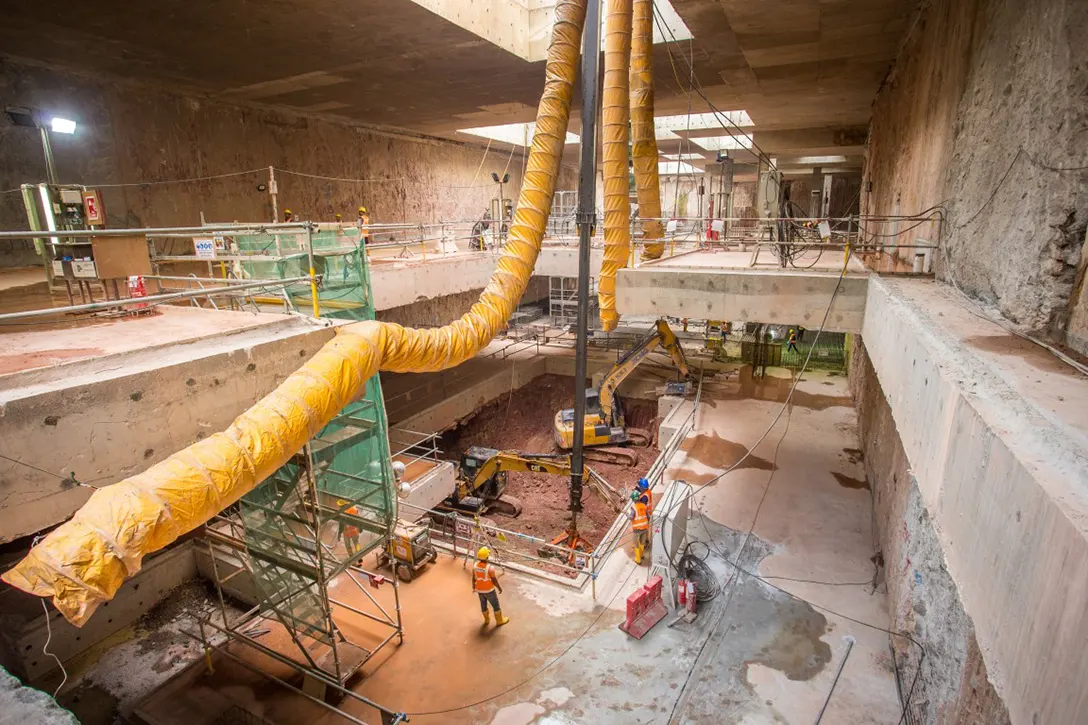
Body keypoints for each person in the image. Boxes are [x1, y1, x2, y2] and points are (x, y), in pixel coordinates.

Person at [472, 547, 510, 626]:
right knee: (495, 605)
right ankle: (499, 620)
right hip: (489, 590)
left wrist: (473, 587)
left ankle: (486, 620)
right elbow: (494, 580)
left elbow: (473, 578)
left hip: (479, 590)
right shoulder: (490, 568)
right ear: (487, 557)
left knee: (483, 604)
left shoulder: (475, 566)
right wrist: (499, 588)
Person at [628, 491, 650, 565]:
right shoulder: (644, 505)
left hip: (637, 529)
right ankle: (641, 555)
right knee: (642, 542)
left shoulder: (633, 507)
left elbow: (631, 517)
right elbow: (648, 517)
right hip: (645, 528)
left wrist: (626, 514)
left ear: (633, 499)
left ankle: (638, 559)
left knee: (636, 544)